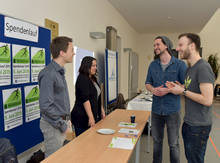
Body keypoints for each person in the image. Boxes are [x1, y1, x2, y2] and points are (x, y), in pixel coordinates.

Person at [166, 33, 215, 163]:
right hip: (189, 123)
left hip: (199, 126)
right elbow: (189, 90)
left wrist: (183, 91)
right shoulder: (190, 69)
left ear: (192, 46)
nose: (177, 49)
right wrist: (178, 87)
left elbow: (208, 100)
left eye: (181, 45)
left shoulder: (203, 67)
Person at [145, 36, 187, 163]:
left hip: (173, 110)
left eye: (158, 44)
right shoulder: (152, 65)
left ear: (166, 46)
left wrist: (169, 90)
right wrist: (153, 90)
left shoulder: (180, 65)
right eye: (154, 45)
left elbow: (186, 85)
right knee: (157, 142)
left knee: (173, 144)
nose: (155, 47)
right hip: (156, 110)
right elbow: (147, 83)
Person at [38, 36, 75, 157]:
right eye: (71, 50)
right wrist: (62, 125)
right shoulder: (49, 74)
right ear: (62, 53)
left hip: (62, 122)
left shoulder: (59, 72)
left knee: (64, 157)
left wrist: (67, 121)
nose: (74, 53)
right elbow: (46, 106)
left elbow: (60, 101)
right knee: (54, 159)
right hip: (54, 125)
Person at [71, 56, 105, 136]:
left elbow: (97, 97)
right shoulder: (82, 79)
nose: (95, 68)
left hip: (93, 115)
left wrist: (102, 110)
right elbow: (85, 100)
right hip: (82, 118)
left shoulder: (93, 78)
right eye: (93, 66)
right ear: (87, 66)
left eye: (96, 65)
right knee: (83, 143)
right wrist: (91, 117)